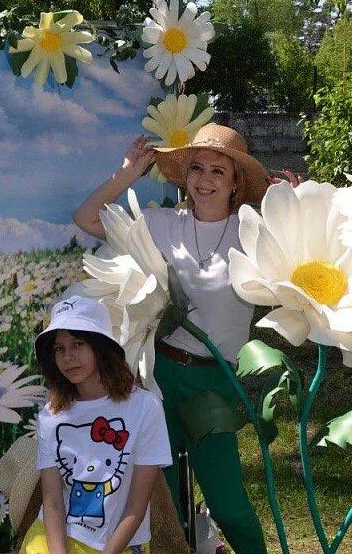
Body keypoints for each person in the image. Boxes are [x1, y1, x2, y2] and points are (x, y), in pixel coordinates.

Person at [73, 123, 299, 554]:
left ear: (235, 183)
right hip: (159, 379)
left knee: (228, 503)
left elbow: (304, 252)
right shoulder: (161, 224)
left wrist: (292, 202)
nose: (206, 179)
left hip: (215, 383)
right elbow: (85, 219)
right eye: (198, 168)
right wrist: (126, 174)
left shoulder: (252, 232)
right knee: (165, 502)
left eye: (219, 171)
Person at [21, 296, 172, 554]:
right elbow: (53, 501)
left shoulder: (145, 408)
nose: (68, 357)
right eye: (59, 348)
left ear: (101, 347)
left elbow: (137, 506)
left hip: (120, 542)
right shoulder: (51, 415)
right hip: (54, 537)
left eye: (78, 344)